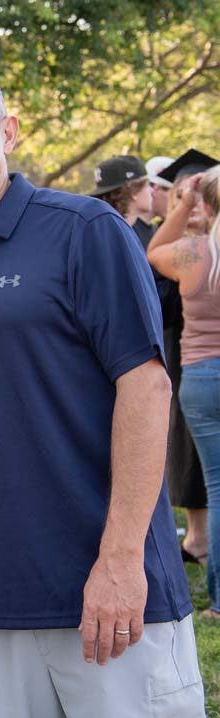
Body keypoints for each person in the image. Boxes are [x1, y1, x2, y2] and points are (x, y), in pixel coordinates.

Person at [0, 61, 217, 718]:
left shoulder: (84, 230)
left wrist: (119, 560)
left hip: (108, 592)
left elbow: (145, 386)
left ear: (7, 131)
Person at [149, 163, 220, 616]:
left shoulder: (193, 253)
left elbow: (153, 251)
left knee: (217, 487)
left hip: (201, 379)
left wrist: (186, 202)